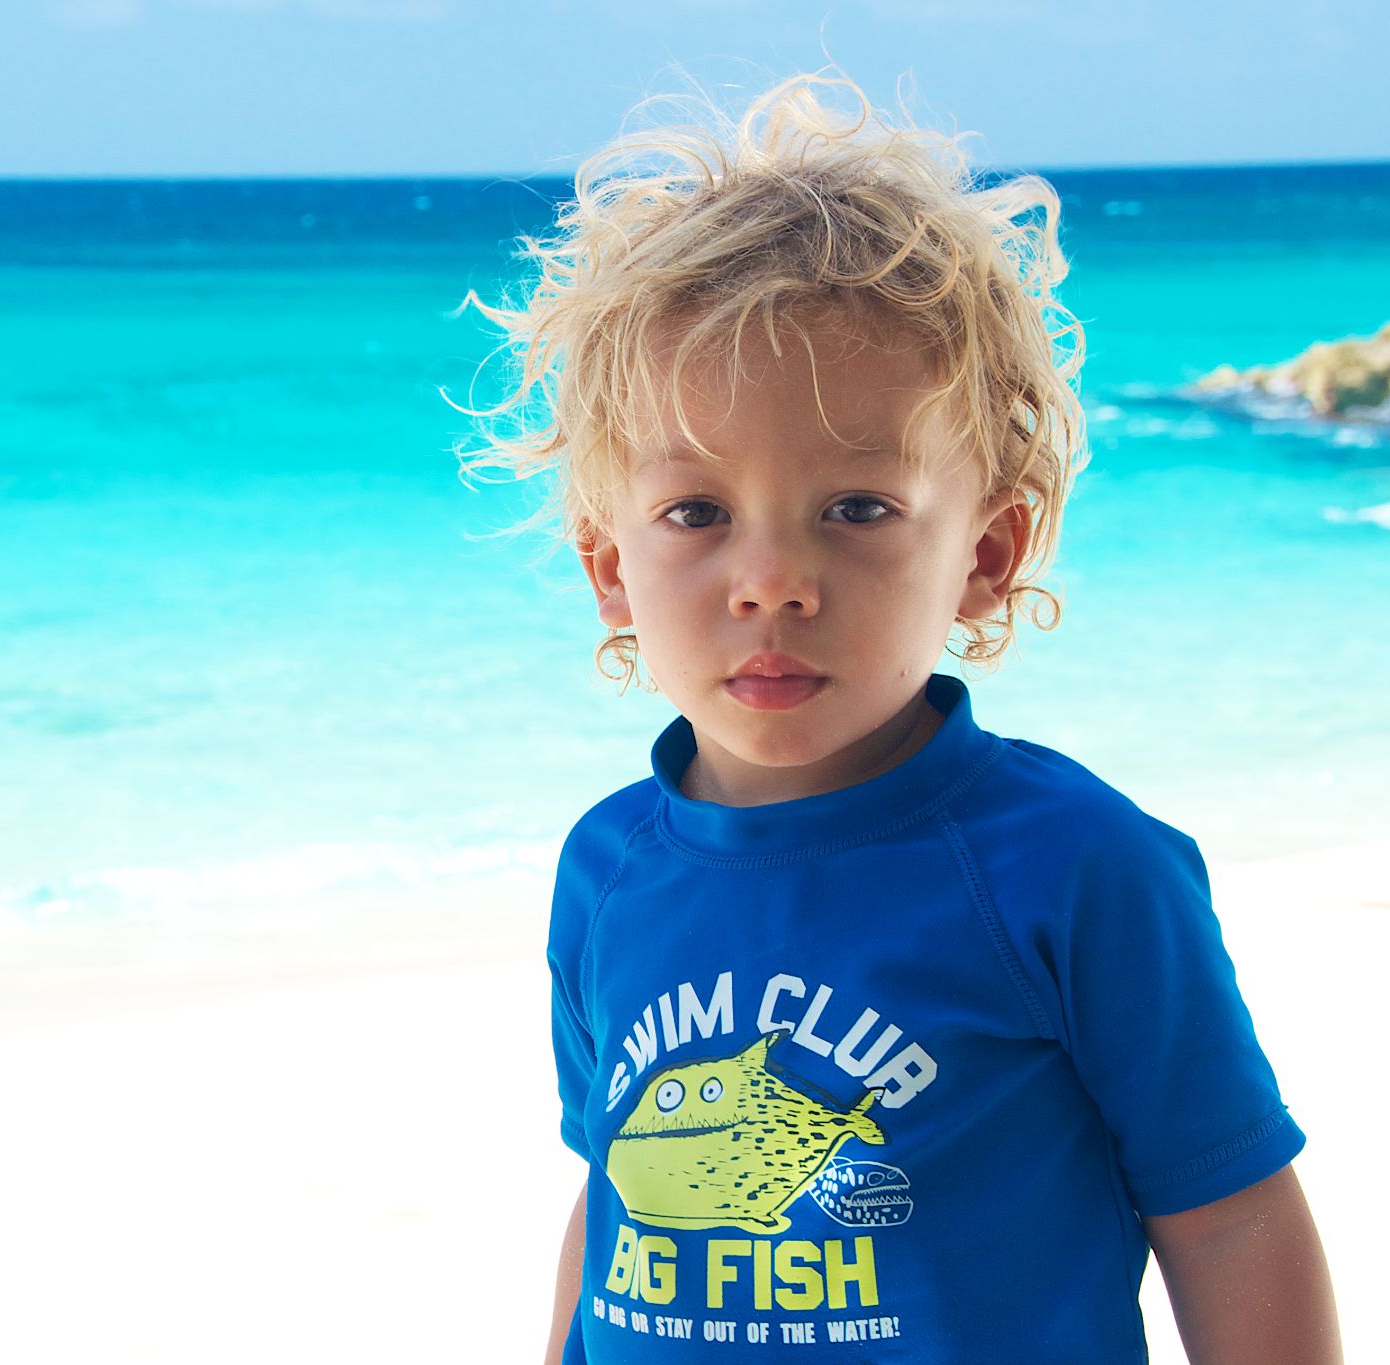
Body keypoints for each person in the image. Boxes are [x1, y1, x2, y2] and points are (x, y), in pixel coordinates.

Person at [460, 72, 1342, 1362]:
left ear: (987, 553)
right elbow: (614, 1190)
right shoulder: (607, 873)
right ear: (610, 568)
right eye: (695, 513)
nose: (771, 579)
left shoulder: (1074, 867)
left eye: (857, 508)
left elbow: (1228, 1219)